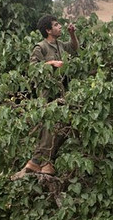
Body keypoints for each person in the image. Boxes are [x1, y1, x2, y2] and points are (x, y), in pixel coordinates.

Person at [14, 15, 79, 177]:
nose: (60, 27)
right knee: (48, 126)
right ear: (48, 30)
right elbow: (32, 68)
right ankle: (40, 161)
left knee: (60, 126)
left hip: (63, 91)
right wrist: (51, 64)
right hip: (47, 93)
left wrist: (72, 34)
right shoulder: (40, 47)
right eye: (56, 25)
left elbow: (74, 47)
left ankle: (41, 162)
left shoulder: (60, 45)